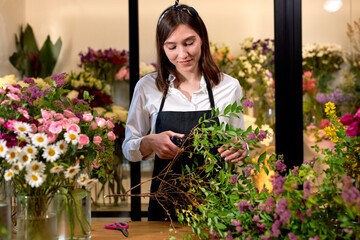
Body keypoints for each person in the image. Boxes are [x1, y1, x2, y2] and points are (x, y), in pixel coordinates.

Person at [122, 1, 247, 221]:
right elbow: (128, 149)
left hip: (217, 208)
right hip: (165, 206)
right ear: (162, 47)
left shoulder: (228, 87)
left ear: (202, 39)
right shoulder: (147, 87)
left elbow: (239, 140)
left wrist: (240, 148)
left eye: (189, 43)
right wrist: (150, 142)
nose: (182, 54)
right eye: (172, 47)